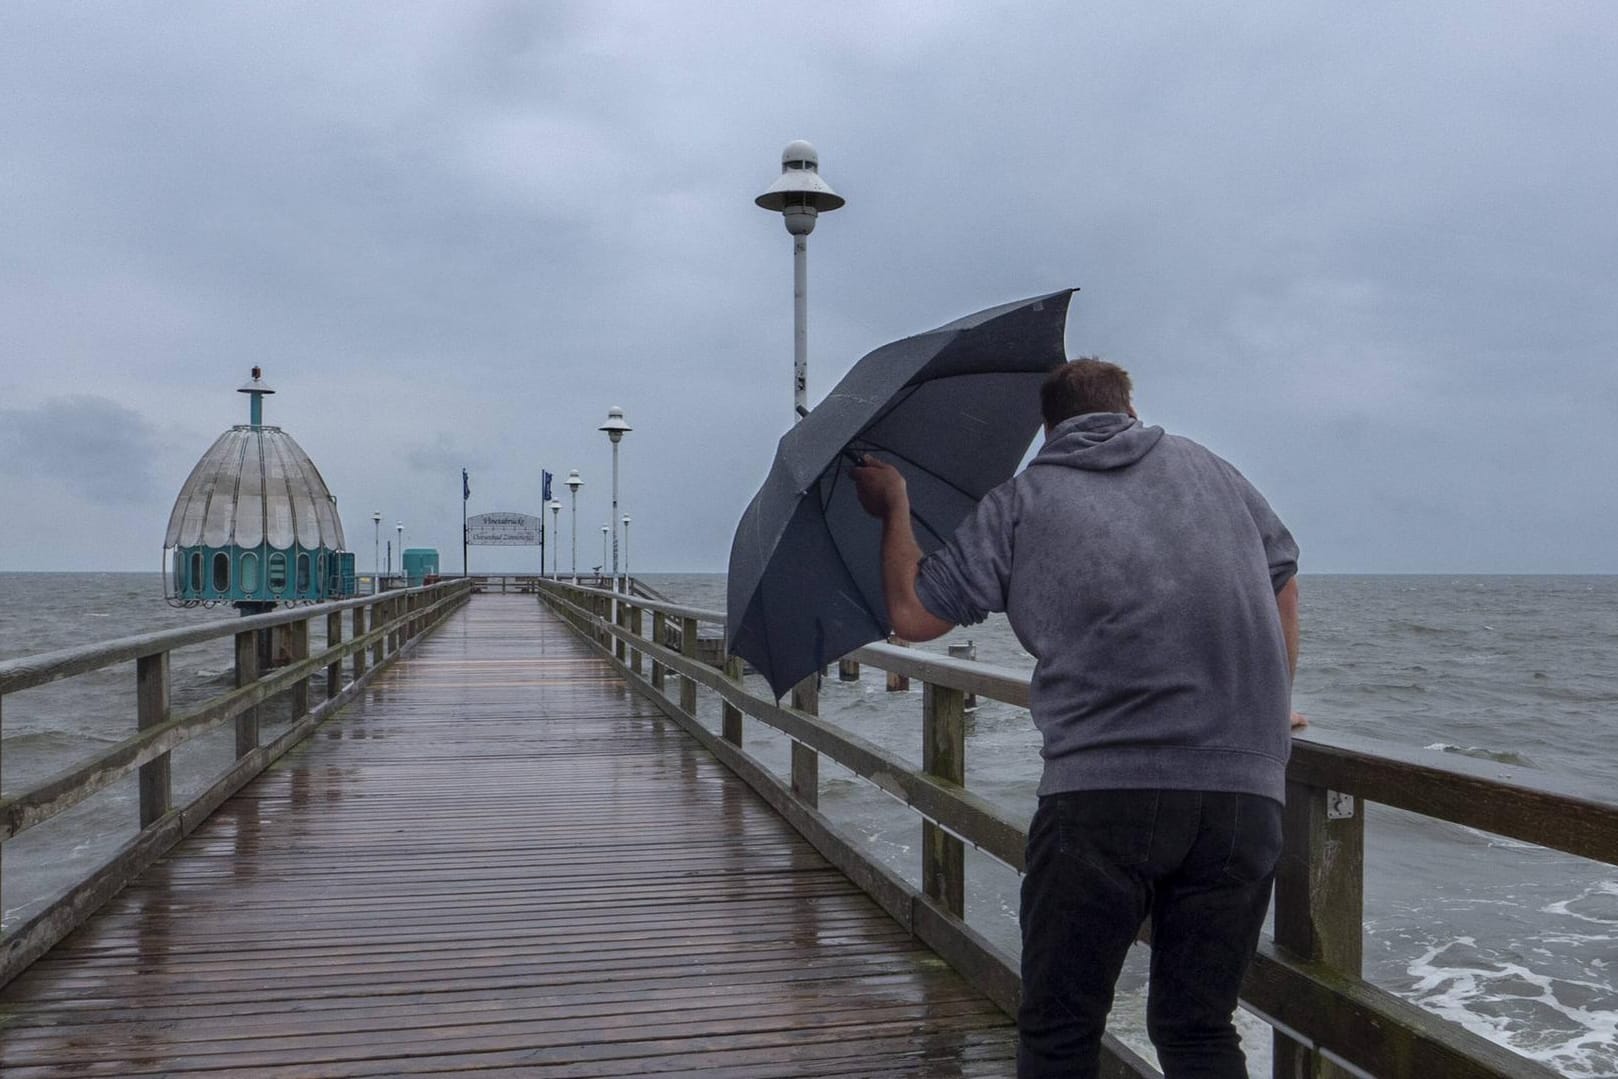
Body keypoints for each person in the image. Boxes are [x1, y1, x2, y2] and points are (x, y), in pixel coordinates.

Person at [851, 358, 1301, 1078]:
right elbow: (1282, 574)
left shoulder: (1024, 498)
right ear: (1130, 410)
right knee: (1198, 1027)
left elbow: (911, 614)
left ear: (1049, 426)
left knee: (1061, 1030)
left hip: (1104, 793)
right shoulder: (1215, 471)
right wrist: (1271, 706)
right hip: (1245, 791)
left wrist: (895, 505)